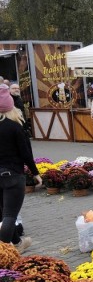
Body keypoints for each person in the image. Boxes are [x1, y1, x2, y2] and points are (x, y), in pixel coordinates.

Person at [0, 84, 40, 253]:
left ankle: (17, 244)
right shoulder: (14, 126)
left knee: (2, 213)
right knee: (10, 215)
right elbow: (25, 153)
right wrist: (36, 173)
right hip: (13, 175)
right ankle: (3, 252)